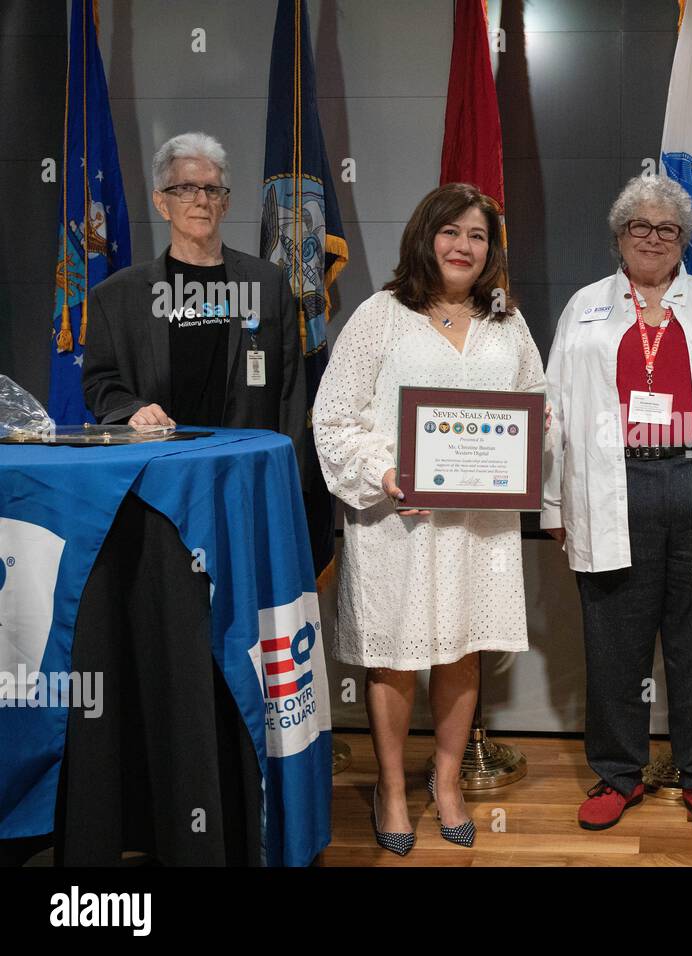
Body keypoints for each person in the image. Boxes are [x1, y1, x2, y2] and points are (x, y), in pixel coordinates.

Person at [542, 175, 692, 839]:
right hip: (614, 486)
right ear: (619, 236)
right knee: (613, 642)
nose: (653, 237)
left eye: (667, 228)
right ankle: (618, 773)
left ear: (684, 241)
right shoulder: (585, 309)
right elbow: (552, 412)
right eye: (640, 227)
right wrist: (553, 501)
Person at [313, 183, 546, 852]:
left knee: (463, 650)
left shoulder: (509, 322)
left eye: (477, 236)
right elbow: (334, 417)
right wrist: (387, 473)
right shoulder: (382, 314)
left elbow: (536, 404)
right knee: (393, 656)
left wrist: (536, 435)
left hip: (479, 525)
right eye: (451, 232)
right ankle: (390, 787)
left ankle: (446, 781)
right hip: (399, 519)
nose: (464, 246)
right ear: (426, 237)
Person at [82, 131, 305, 472]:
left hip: (247, 467)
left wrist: (289, 473)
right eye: (185, 189)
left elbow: (291, 391)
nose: (201, 200)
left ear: (225, 203)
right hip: (158, 468)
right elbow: (99, 382)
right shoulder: (116, 296)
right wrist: (132, 410)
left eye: (212, 189)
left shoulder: (267, 283)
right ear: (161, 203)